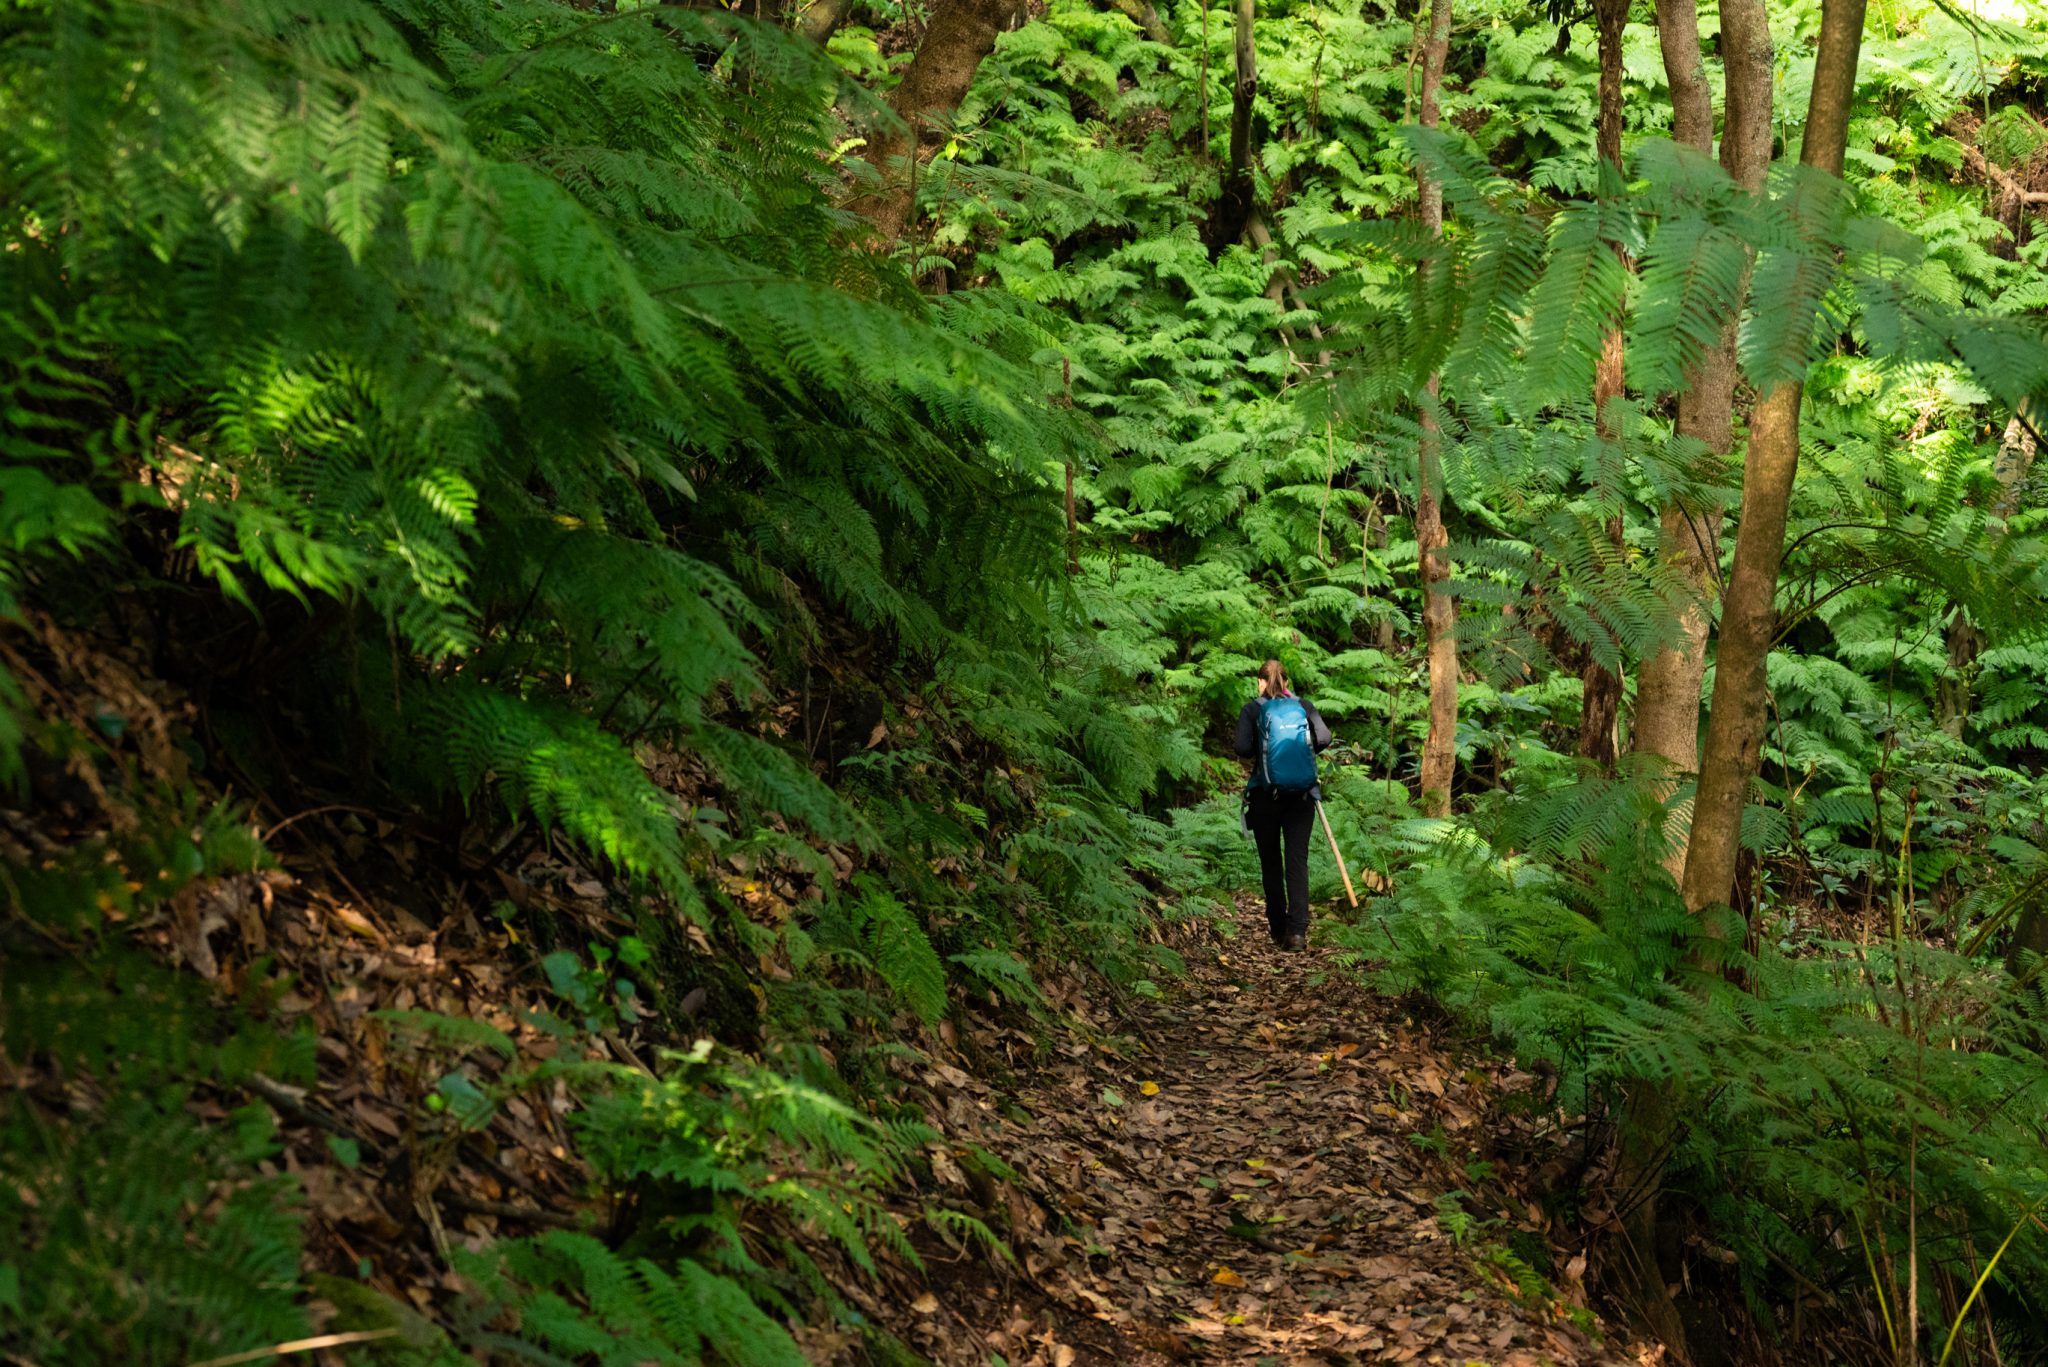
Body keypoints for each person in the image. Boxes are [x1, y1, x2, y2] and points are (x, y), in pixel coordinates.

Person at [1234, 660, 1331, 951]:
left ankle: (1278, 929)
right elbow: (1324, 737)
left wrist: (1264, 750)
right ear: (1286, 682)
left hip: (1265, 797)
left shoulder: (1252, 709)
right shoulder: (1304, 706)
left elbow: (1241, 748)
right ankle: (1298, 933)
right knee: (1297, 861)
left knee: (1271, 863)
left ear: (1260, 682)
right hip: (1302, 796)